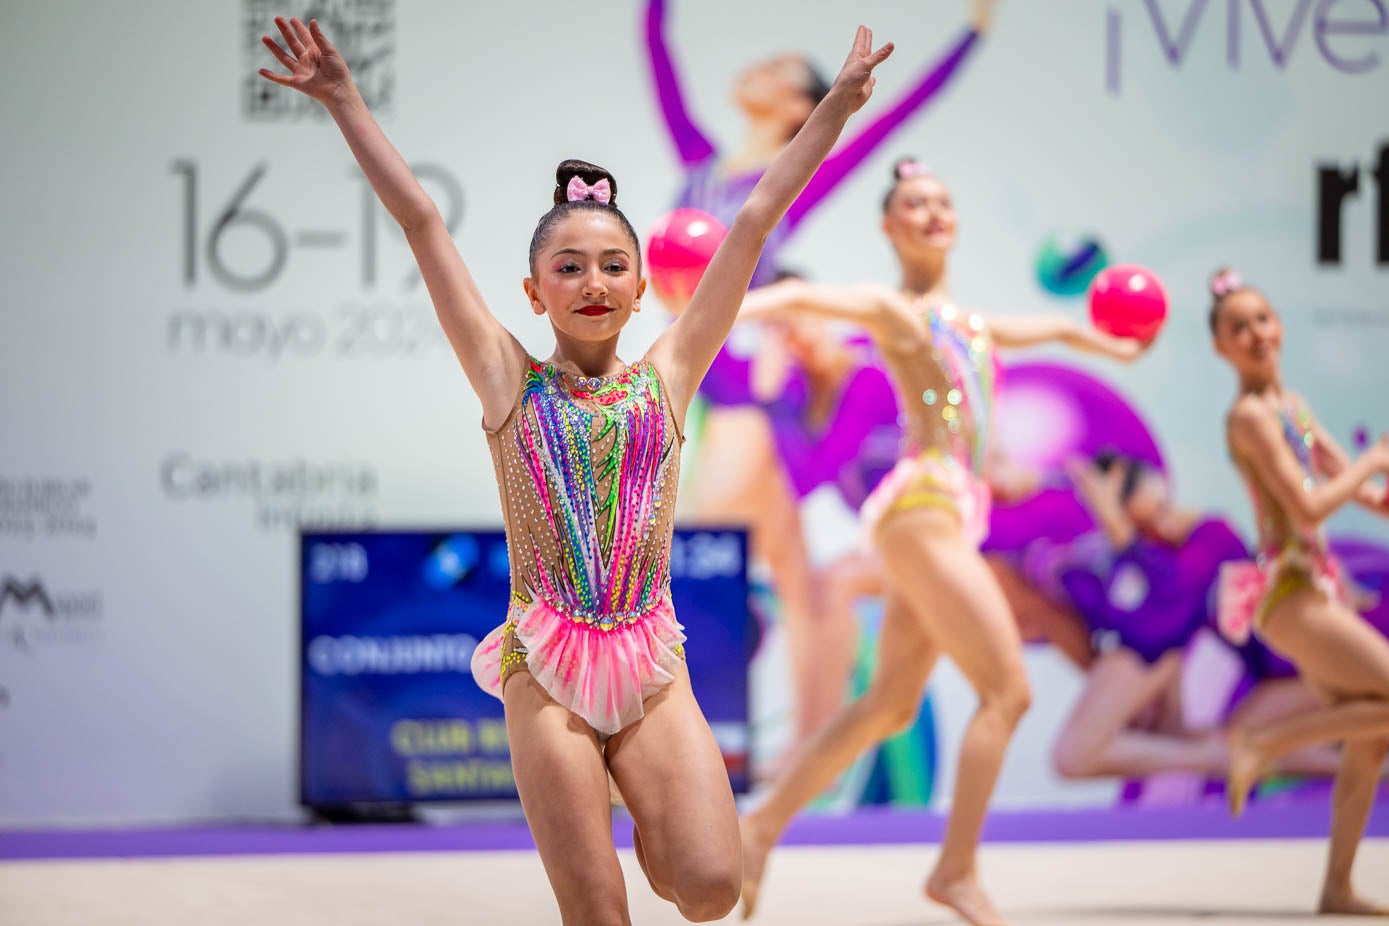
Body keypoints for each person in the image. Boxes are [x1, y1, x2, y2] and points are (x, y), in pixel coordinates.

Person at [258, 17, 894, 924]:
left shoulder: (670, 376)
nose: (592, 282)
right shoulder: (506, 378)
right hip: (544, 661)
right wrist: (344, 99)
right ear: (535, 292)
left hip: (649, 655)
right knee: (598, 914)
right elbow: (422, 220)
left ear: (642, 286)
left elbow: (753, 221)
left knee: (712, 888)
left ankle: (646, 810)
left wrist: (832, 106)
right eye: (569, 267)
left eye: (612, 266)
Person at [736, 159, 1147, 926]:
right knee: (1008, 691)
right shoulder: (892, 310)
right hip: (921, 507)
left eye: (941, 202)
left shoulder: (973, 324)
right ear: (888, 227)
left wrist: (1116, 346)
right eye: (913, 204)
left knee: (887, 708)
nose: (931, 212)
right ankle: (955, 872)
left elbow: (1054, 327)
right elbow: (795, 295)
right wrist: (717, 303)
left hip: (946, 516)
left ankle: (758, 829)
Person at [1209, 266, 1389, 916]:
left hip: (1313, 592)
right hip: (1289, 595)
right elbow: (1311, 509)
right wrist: (1371, 462)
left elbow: (1363, 494)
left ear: (1277, 326)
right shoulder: (1250, 417)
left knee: (1371, 739)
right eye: (1238, 327)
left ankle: (1337, 887)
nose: (1255, 334)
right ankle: (1263, 743)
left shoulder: (1292, 408)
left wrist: (1375, 486)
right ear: (1220, 347)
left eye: (1261, 320)